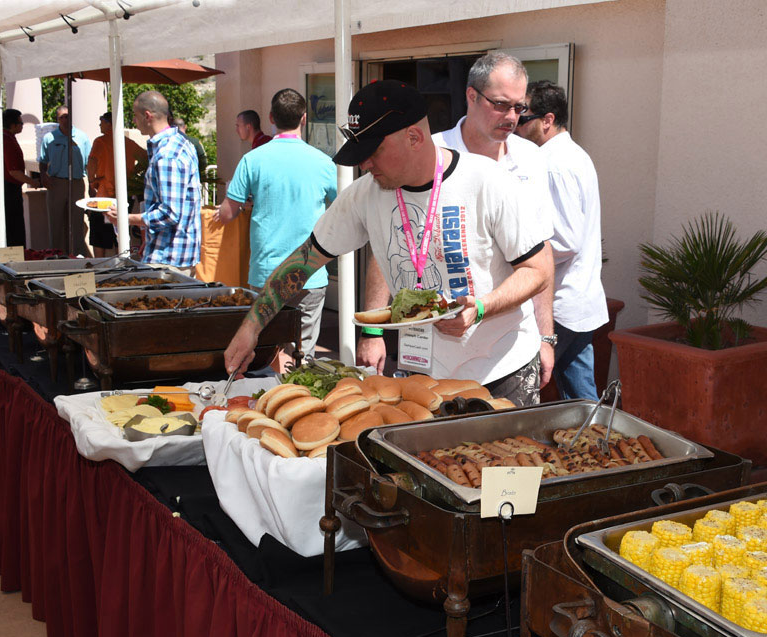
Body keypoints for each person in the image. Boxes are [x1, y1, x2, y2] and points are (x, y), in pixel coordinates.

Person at [225, 80, 553, 405]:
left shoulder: (488, 181)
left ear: (414, 138)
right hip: (422, 375)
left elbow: (538, 270)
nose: (364, 164)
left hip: (500, 370)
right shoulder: (365, 194)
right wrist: (251, 327)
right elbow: (304, 261)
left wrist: (481, 308)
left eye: (373, 152)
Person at [427, 51, 558, 388]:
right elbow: (392, 235)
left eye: (519, 107)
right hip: (437, 356)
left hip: (512, 353)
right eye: (500, 104)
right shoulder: (431, 155)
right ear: (471, 95)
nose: (511, 117)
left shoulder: (531, 158)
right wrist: (372, 333)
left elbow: (541, 251)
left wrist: (546, 337)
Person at [214, 88, 337, 362]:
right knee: (303, 356)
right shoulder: (323, 163)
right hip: (309, 271)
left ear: (271, 117)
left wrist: (239, 205)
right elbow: (343, 209)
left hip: (266, 271)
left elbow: (227, 214)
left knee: (266, 352)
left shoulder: (252, 160)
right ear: (304, 118)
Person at [515, 80, 608, 401]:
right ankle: (597, 434)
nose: (515, 124)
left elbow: (566, 240)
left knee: (524, 389)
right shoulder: (574, 155)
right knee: (580, 396)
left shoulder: (553, 164)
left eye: (523, 117)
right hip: (576, 299)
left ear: (548, 120)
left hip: (560, 303)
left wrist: (517, 259)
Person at [106, 91, 201, 273]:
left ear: (147, 116)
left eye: (135, 115)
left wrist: (126, 219)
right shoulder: (180, 144)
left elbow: (170, 213)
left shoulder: (168, 155)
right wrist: (150, 239)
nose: (134, 121)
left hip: (169, 259)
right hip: (171, 253)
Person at [87, 112, 147, 256]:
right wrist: (132, 172)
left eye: (102, 122)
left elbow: (92, 163)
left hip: (103, 194)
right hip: (124, 193)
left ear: (109, 123)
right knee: (120, 234)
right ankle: (121, 262)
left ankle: (99, 265)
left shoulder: (100, 142)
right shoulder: (127, 142)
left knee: (99, 236)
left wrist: (91, 182)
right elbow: (145, 158)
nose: (99, 125)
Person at [38, 105, 91, 256]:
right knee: (56, 221)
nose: (65, 119)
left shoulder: (82, 137)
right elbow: (43, 160)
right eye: (62, 117)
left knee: (77, 220)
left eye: (68, 116)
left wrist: (92, 183)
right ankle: (56, 254)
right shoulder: (49, 138)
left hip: (76, 182)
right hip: (57, 182)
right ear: (58, 119)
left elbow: (89, 162)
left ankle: (77, 253)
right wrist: (43, 175)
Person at [0, 110, 38, 248]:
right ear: (13, 125)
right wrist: (33, 182)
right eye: (21, 123)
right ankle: (13, 257)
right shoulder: (7, 140)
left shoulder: (6, 138)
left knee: (9, 229)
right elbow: (13, 171)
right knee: (12, 230)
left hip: (7, 187)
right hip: (8, 188)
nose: (22, 126)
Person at [172, 115, 208, 180]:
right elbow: (203, 160)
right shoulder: (194, 142)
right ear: (185, 127)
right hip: (191, 176)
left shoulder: (168, 142)